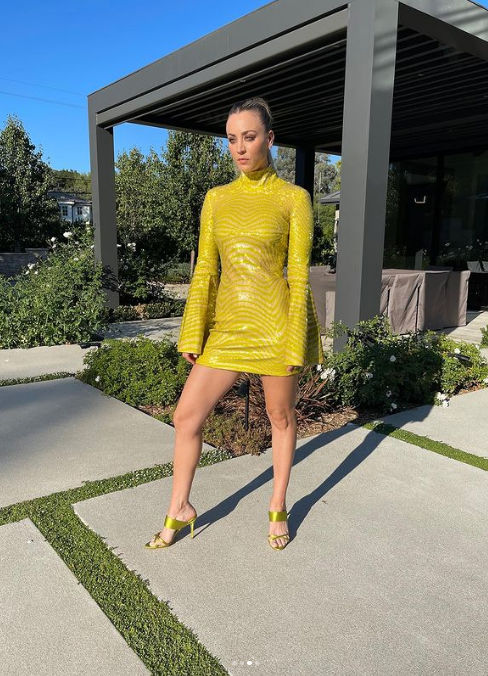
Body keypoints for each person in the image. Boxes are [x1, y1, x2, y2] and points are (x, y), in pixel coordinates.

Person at [145, 97, 324, 552]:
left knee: (280, 417)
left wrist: (296, 342)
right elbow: (206, 269)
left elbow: (298, 274)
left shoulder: (294, 199)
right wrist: (193, 331)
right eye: (231, 139)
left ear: (269, 138)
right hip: (227, 330)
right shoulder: (217, 199)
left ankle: (278, 504)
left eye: (249, 137)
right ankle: (180, 507)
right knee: (186, 416)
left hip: (275, 327)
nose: (240, 148)